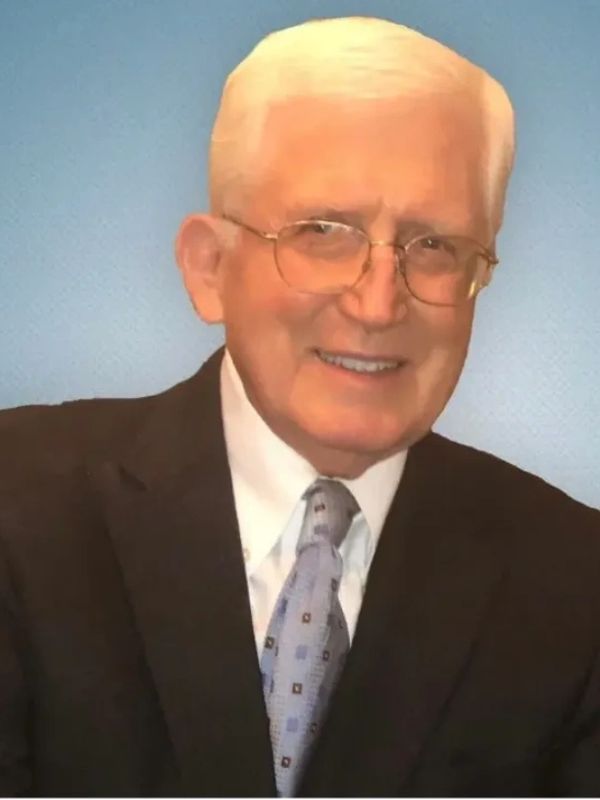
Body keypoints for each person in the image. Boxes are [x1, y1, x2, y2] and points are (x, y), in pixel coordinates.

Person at [0, 15, 599, 797]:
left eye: (434, 246)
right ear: (210, 269)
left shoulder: (576, 584)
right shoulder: (18, 505)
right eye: (323, 232)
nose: (378, 304)